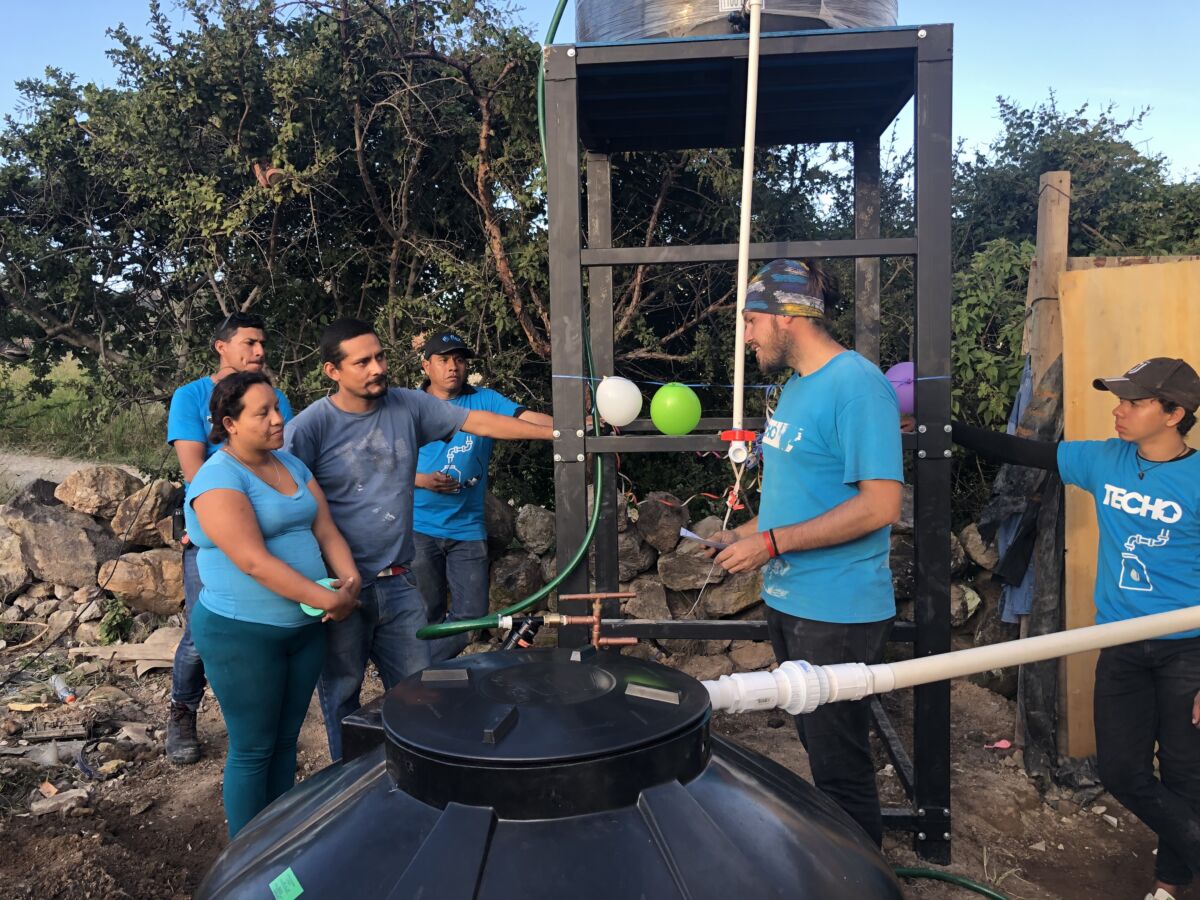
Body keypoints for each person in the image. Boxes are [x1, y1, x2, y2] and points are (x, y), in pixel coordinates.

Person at [953, 356, 1200, 900]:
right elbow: (1022, 451)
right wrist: (943, 428)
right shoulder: (1105, 461)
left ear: (1175, 413)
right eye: (1121, 399)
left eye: (1135, 402)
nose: (1120, 410)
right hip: (1117, 643)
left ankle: (1169, 884)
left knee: (1185, 773)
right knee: (1120, 771)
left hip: (1189, 652)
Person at [284, 318, 555, 761]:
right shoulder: (310, 427)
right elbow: (281, 496)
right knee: (342, 693)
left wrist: (559, 434)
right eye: (362, 362)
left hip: (399, 581)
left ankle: (415, 776)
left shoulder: (407, 406)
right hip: (341, 588)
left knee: (418, 691)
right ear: (332, 371)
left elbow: (481, 422)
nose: (376, 368)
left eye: (380, 357)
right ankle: (348, 780)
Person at [708, 259, 903, 847]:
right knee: (819, 750)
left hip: (837, 610)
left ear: (788, 316)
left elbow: (880, 506)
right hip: (792, 599)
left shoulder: (857, 384)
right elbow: (803, 495)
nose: (745, 336)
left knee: (839, 766)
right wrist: (747, 534)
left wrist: (770, 543)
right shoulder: (795, 389)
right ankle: (836, 867)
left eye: (750, 321)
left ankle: (862, 880)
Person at [184, 372, 359, 837]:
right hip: (243, 634)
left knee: (285, 742)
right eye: (263, 413)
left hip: (303, 630)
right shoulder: (217, 477)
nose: (279, 419)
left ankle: (280, 842)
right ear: (230, 422)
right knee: (253, 747)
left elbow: (325, 529)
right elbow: (253, 561)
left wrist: (349, 579)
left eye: (277, 407)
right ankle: (246, 865)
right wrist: (330, 599)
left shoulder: (290, 465)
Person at [164, 311, 294, 765]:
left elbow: (286, 463)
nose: (259, 352)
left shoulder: (274, 398)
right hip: (216, 536)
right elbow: (194, 470)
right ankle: (182, 710)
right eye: (249, 343)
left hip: (269, 532)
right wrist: (219, 520)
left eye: (263, 344)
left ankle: (266, 718)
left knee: (271, 619)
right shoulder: (191, 396)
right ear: (221, 346)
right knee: (203, 630)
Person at [412, 330, 553, 662]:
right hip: (419, 527)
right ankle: (424, 683)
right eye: (444, 360)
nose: (453, 367)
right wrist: (421, 480)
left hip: (467, 529)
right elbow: (382, 463)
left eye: (459, 360)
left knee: (471, 616)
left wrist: (573, 427)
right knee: (424, 616)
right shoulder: (411, 405)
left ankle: (415, 669)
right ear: (425, 366)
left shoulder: (484, 400)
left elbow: (524, 418)